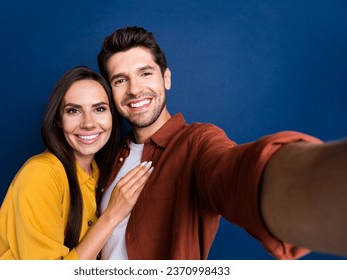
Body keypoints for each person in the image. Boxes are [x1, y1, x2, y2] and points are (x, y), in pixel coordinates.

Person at [96, 26, 347, 260]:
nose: (134, 89)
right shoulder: (106, 155)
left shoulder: (197, 143)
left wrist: (313, 184)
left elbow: (234, 174)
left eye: (145, 73)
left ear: (167, 78)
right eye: (120, 80)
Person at [0, 66, 154, 260]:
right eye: (74, 111)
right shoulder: (40, 175)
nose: (88, 123)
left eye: (99, 109)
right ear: (59, 119)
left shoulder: (99, 174)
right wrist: (112, 215)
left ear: (112, 117)